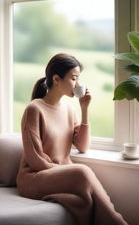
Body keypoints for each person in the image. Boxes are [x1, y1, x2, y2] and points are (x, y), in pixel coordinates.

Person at [16, 53, 128, 225]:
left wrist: (84, 109)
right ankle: (117, 222)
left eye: (78, 79)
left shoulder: (69, 110)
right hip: (34, 177)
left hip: (59, 174)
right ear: (56, 79)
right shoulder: (34, 109)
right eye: (74, 78)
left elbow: (82, 147)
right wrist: (65, 172)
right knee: (82, 171)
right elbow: (34, 159)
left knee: (83, 198)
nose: (78, 84)